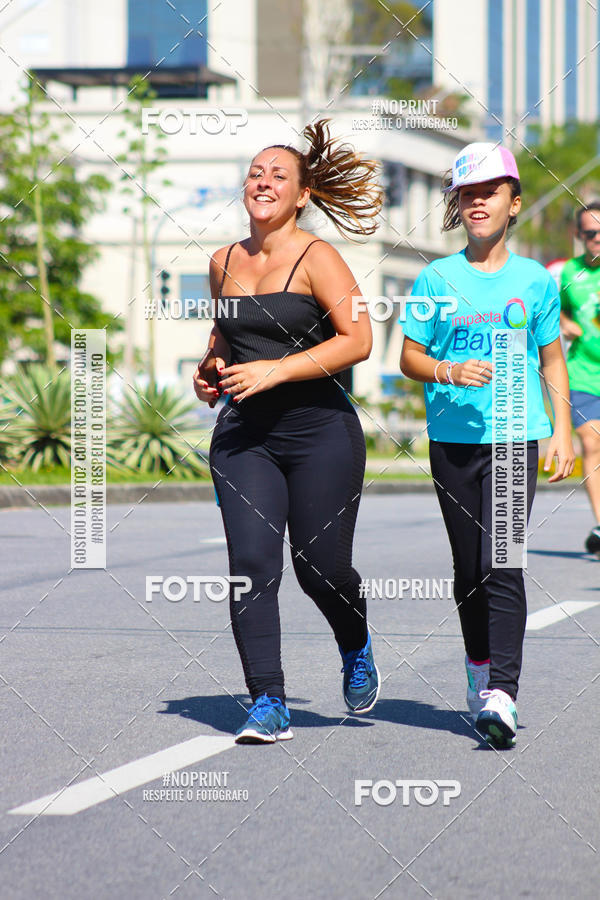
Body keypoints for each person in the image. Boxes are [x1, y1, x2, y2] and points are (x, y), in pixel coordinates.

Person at [193, 120, 383, 743]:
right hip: (244, 438)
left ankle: (355, 641)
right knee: (251, 563)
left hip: (319, 432)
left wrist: (276, 370)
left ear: (301, 195)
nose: (263, 181)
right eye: (255, 172)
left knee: (319, 567)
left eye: (278, 174)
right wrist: (209, 369)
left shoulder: (317, 257)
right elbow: (225, 339)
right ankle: (268, 700)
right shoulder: (222, 261)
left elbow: (358, 339)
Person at [400, 142, 575, 749]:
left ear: (513, 202)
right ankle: (478, 663)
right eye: (467, 194)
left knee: (503, 560)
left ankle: (503, 692)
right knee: (469, 568)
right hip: (452, 442)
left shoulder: (535, 280)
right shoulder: (436, 277)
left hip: (514, 436)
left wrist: (561, 429)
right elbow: (409, 357)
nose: (477, 203)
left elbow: (553, 359)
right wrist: (448, 371)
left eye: (489, 192)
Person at [559, 202, 600, 557]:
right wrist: (564, 322)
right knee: (591, 442)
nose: (597, 239)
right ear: (579, 235)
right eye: (590, 233)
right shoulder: (569, 272)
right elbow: (555, 310)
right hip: (583, 374)